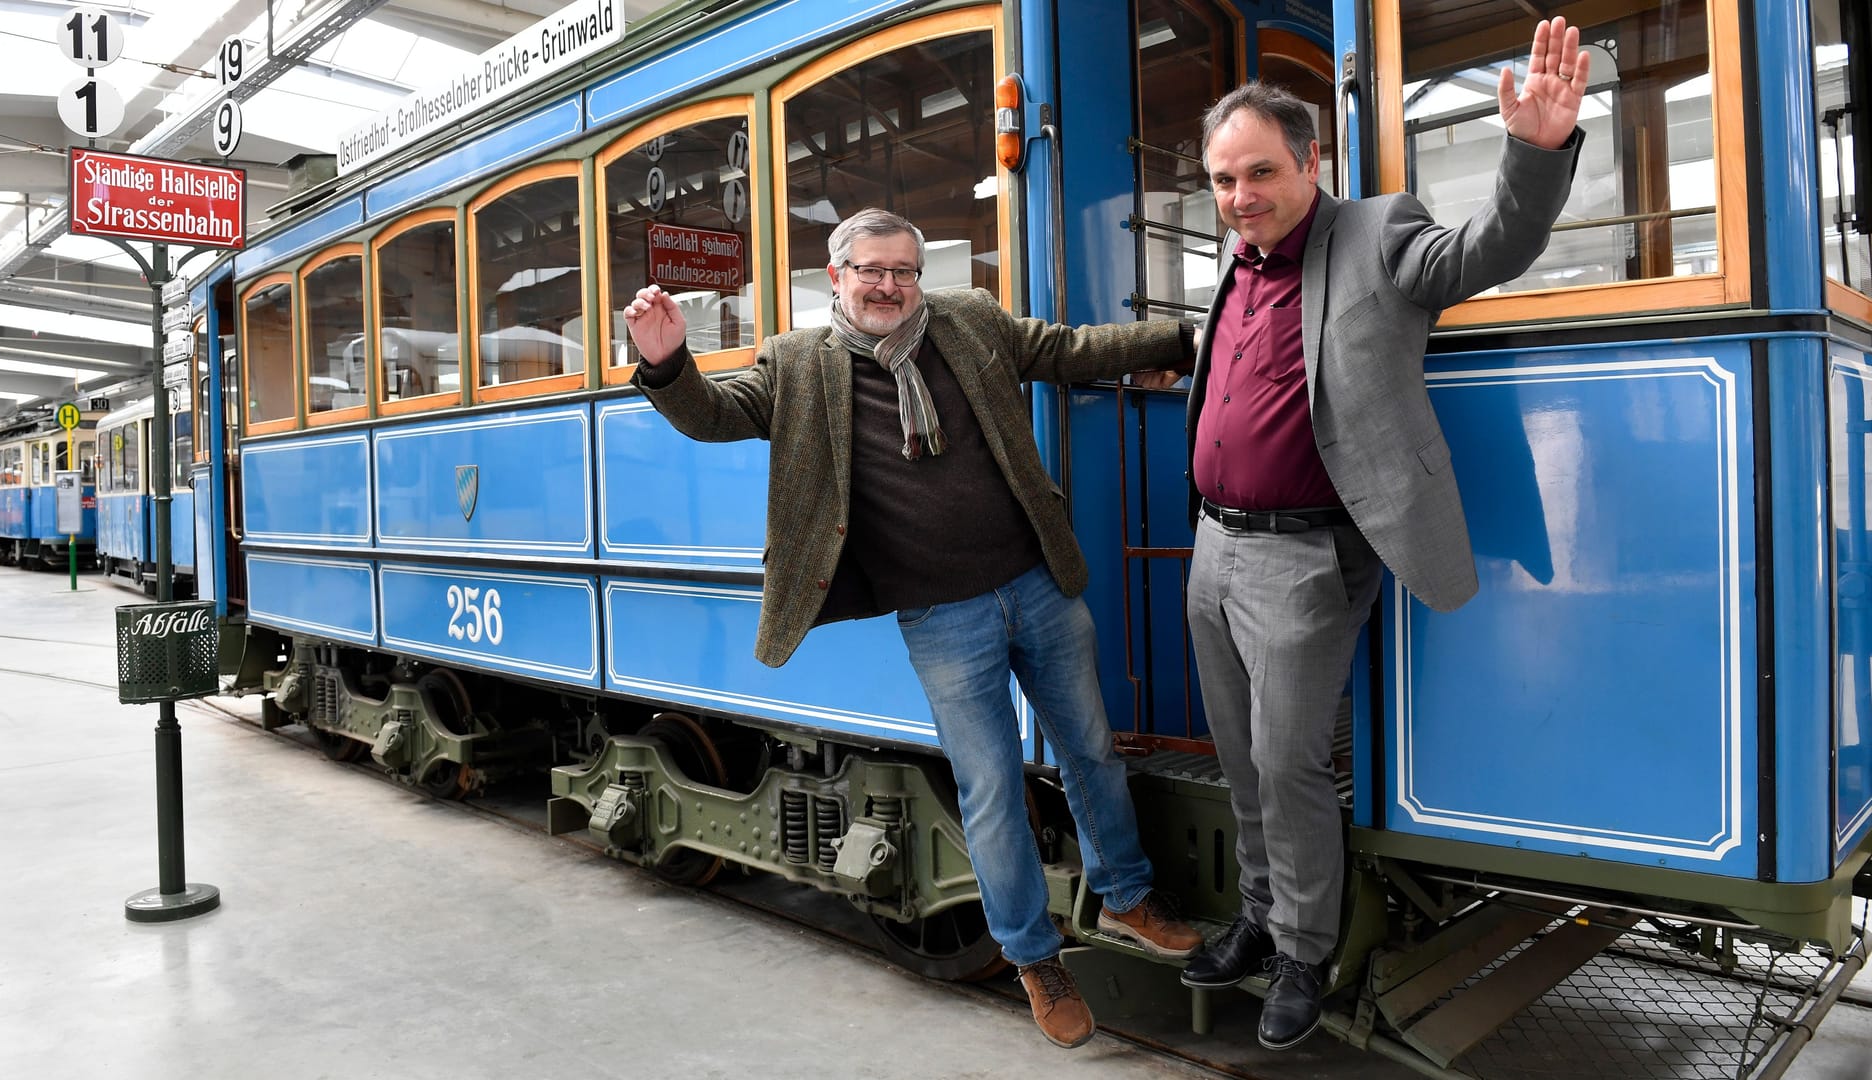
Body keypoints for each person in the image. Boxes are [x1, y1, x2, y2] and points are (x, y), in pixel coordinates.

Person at [623, 207, 1204, 1050]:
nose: (888, 285)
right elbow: (716, 415)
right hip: (943, 619)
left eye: (903, 270)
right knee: (994, 787)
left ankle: (1127, 895)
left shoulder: (968, 321)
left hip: (1037, 584)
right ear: (838, 277)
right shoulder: (796, 364)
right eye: (871, 270)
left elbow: (1069, 350)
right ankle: (1034, 957)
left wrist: (1184, 339)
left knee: (1091, 748)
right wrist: (667, 362)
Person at [1175, 17, 1592, 1050]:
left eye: (1260, 172)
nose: (1240, 196)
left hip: (1306, 555)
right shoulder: (1236, 262)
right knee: (1239, 756)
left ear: (1310, 161)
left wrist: (1535, 150)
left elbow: (1488, 248)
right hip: (1213, 548)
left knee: (1287, 761)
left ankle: (1305, 952)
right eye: (1224, 179)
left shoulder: (1375, 235)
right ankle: (1259, 915)